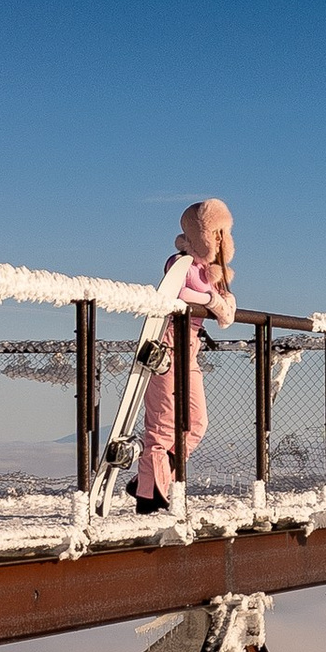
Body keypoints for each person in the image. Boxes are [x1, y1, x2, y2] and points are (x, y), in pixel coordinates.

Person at [133, 199, 237, 509]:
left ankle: (152, 479)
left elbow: (226, 316)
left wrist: (221, 300)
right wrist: (213, 301)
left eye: (223, 232)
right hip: (166, 342)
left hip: (189, 346)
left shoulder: (211, 273)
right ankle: (149, 495)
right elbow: (177, 292)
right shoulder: (180, 262)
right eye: (214, 231)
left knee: (197, 422)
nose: (219, 238)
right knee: (163, 422)